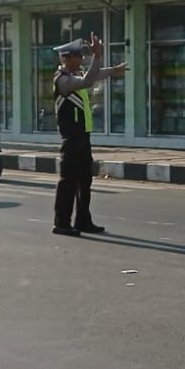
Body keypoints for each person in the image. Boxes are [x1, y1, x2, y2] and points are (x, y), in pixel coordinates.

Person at [50, 36, 127, 237]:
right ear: (66, 58)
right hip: (71, 139)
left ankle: (83, 220)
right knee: (68, 181)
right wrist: (98, 55)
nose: (82, 60)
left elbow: (94, 75)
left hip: (83, 137)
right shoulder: (62, 80)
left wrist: (113, 70)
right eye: (78, 56)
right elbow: (87, 80)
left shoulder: (75, 75)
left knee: (85, 181)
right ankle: (62, 222)